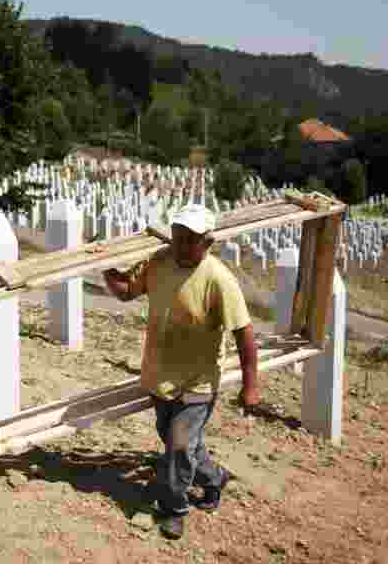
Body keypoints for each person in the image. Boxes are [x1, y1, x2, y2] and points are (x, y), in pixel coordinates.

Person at [102, 203, 260, 540]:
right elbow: (128, 292)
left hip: (197, 382)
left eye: (191, 239)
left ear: (208, 241)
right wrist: (105, 268)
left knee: (178, 446)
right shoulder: (159, 262)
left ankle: (173, 509)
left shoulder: (218, 279)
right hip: (160, 373)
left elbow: (244, 334)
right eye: (178, 236)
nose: (182, 244)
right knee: (180, 441)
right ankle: (215, 477)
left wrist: (250, 386)